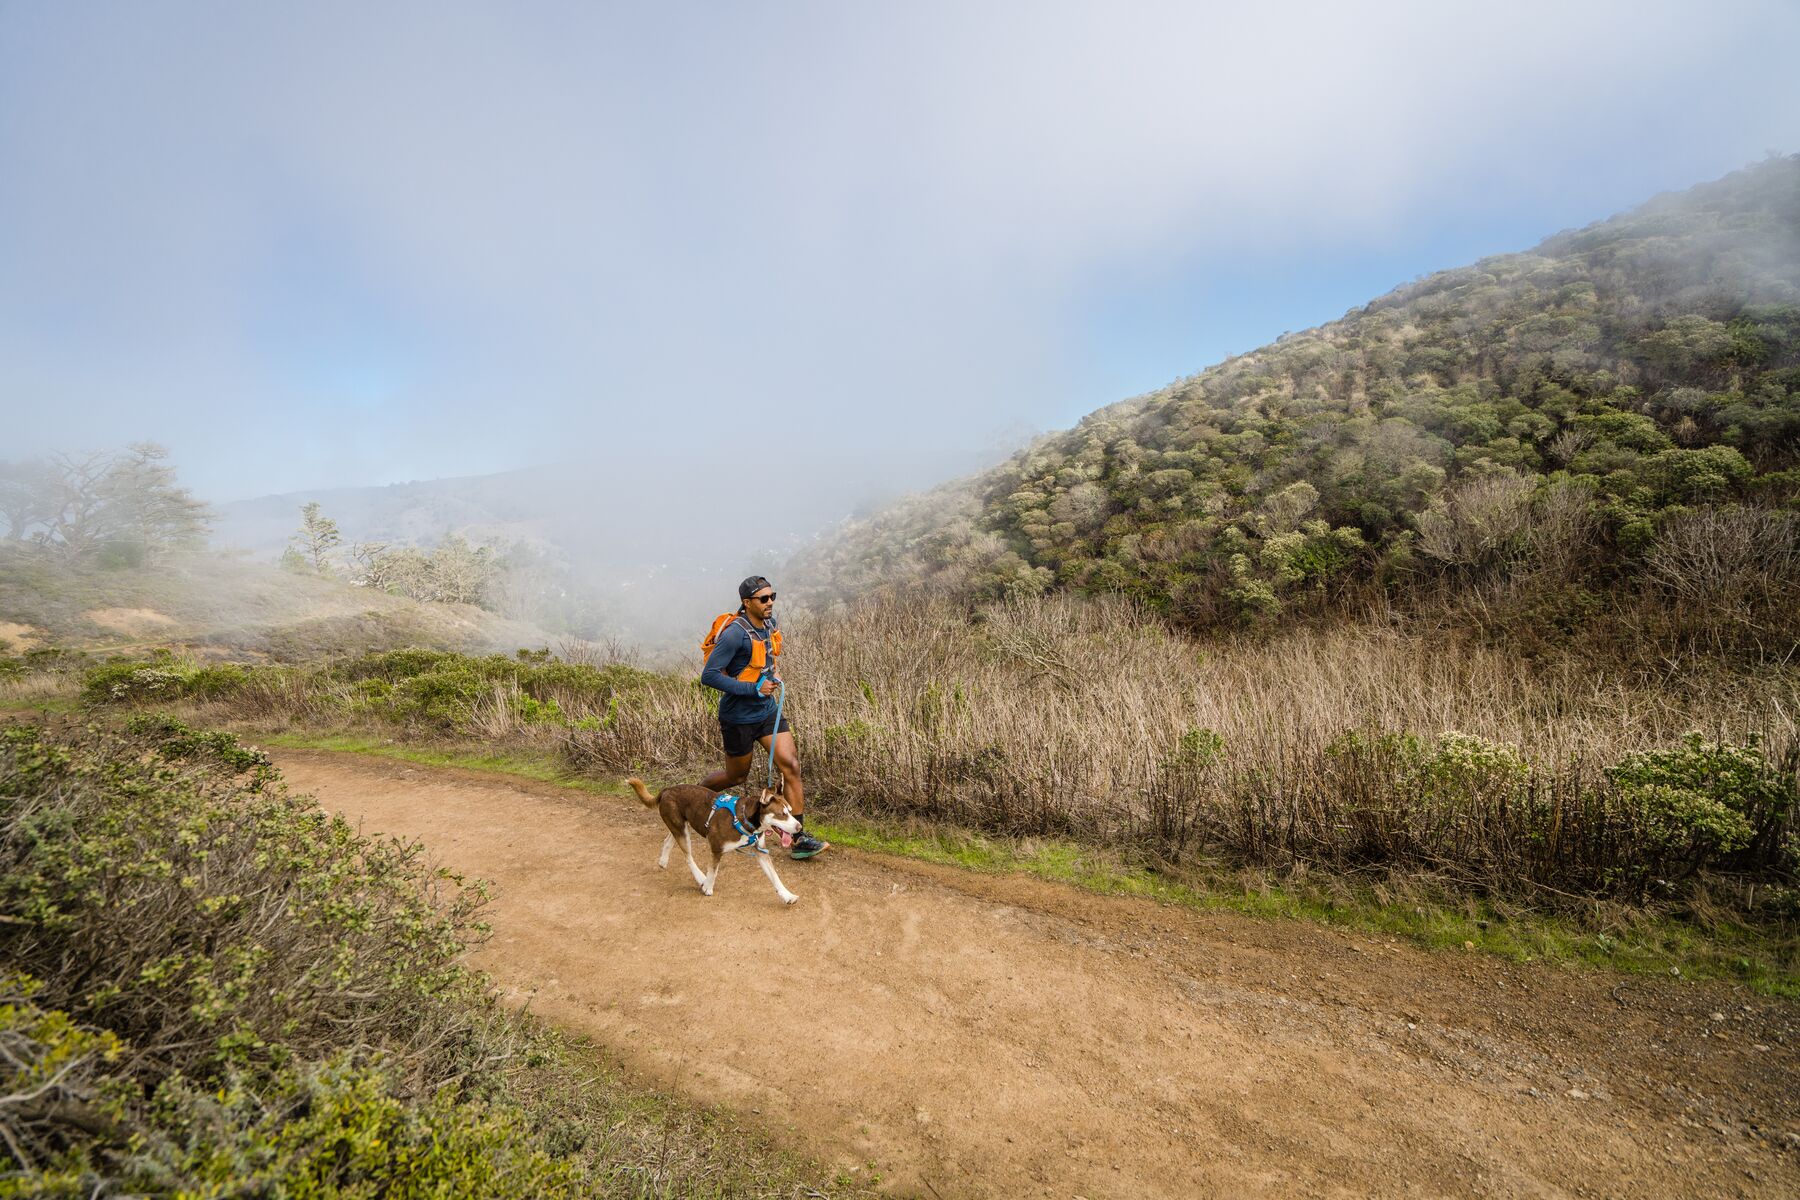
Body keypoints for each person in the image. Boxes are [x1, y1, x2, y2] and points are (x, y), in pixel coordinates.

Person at [700, 575, 828, 859]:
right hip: (738, 717)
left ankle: (798, 839)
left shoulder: (770, 624)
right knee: (737, 775)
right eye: (763, 599)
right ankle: (699, 794)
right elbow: (708, 676)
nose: (770, 603)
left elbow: (767, 659)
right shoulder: (735, 633)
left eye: (772, 596)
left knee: (791, 766)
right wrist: (753, 688)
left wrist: (772, 676)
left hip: (768, 711)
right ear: (747, 603)